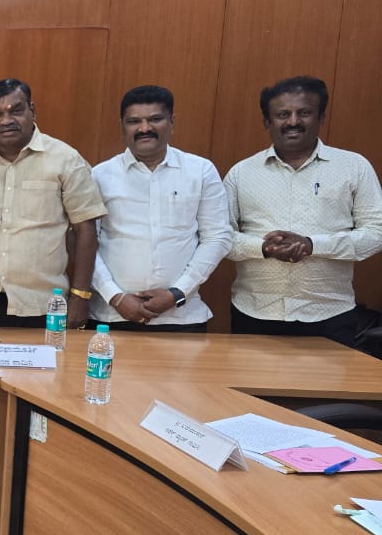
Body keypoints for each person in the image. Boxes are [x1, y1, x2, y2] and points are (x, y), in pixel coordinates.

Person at [224, 76, 382, 346]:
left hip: (329, 314)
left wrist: (312, 245)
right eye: (283, 114)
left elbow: (376, 233)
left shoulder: (354, 167)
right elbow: (219, 237)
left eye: (304, 113)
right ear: (267, 122)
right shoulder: (241, 173)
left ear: (321, 117)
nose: (293, 121)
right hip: (254, 312)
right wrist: (264, 248)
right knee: (248, 378)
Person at [0, 79, 107, 328]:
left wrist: (80, 296)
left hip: (43, 305)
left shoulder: (65, 159)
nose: (6, 121)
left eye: (16, 111)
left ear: (32, 110)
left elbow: (85, 231)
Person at [89, 86, 231, 331]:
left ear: (172, 121)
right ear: (122, 125)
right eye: (134, 121)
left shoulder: (200, 171)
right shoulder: (100, 175)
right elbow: (86, 243)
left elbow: (217, 237)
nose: (144, 128)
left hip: (182, 317)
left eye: (155, 119)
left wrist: (178, 293)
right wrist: (115, 296)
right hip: (111, 316)